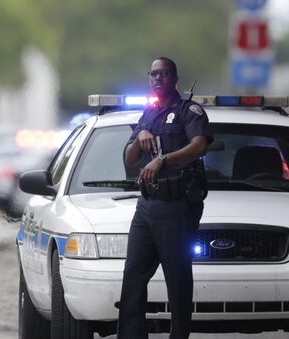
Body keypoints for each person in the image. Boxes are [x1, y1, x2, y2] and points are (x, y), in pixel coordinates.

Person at [117, 57, 212, 339]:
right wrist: (140, 135)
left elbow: (199, 147)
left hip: (176, 205)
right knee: (133, 275)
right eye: (153, 74)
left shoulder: (188, 111)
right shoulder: (148, 114)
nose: (157, 78)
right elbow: (130, 158)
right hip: (146, 205)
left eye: (164, 74)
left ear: (175, 79)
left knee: (177, 277)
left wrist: (162, 159)